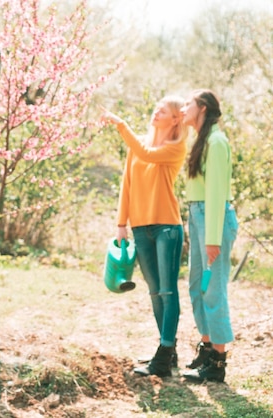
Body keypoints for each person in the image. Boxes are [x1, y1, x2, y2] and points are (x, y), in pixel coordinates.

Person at [102, 95, 187, 377]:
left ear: (176, 118)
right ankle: (168, 351)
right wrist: (121, 223)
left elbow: (148, 155)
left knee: (167, 290)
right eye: (156, 108)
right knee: (154, 292)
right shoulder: (136, 144)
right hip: (140, 227)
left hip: (167, 226)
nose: (156, 113)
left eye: (163, 111)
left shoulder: (176, 147)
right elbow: (126, 184)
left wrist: (121, 125)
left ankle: (163, 354)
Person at [180, 89, 238, 383]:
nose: (183, 108)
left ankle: (218, 361)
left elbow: (217, 193)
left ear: (202, 108)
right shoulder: (201, 139)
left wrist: (212, 238)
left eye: (188, 104)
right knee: (196, 287)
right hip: (198, 215)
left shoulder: (216, 141)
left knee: (213, 289)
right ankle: (206, 347)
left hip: (212, 219)